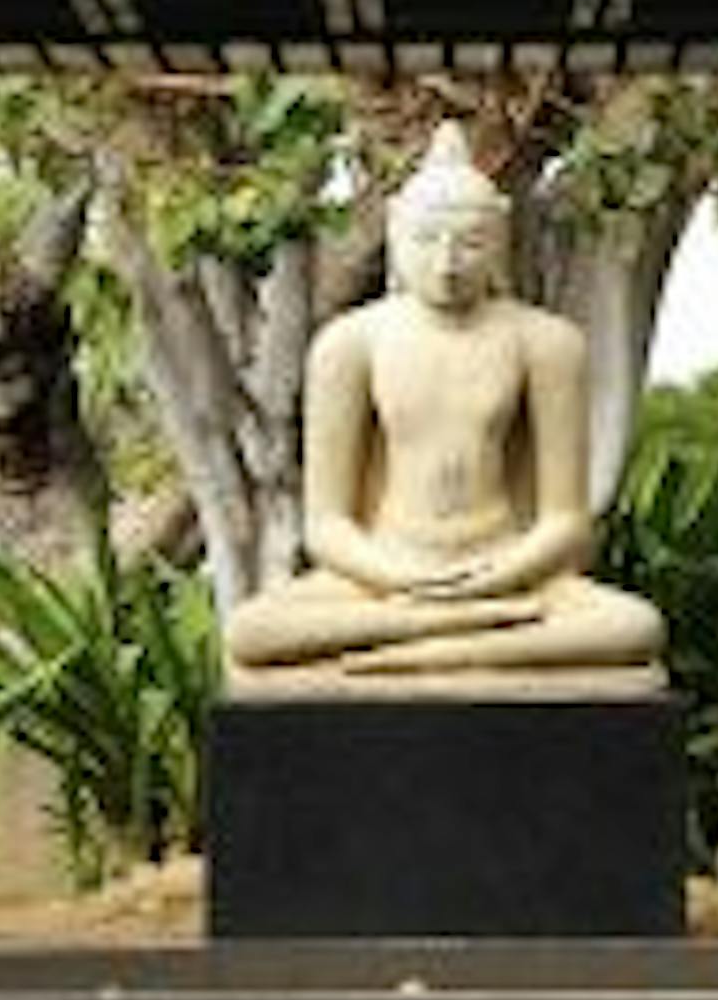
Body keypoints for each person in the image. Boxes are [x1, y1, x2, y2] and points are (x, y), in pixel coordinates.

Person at [223, 125, 664, 693]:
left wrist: (494, 579)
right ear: (396, 235)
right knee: (252, 633)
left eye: (470, 242)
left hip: (505, 568)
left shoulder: (546, 343)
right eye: (427, 240)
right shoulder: (351, 343)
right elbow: (326, 526)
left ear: (499, 242)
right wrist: (401, 579)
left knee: (634, 629)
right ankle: (460, 637)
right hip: (386, 571)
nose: (448, 262)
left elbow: (565, 522)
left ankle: (413, 646)